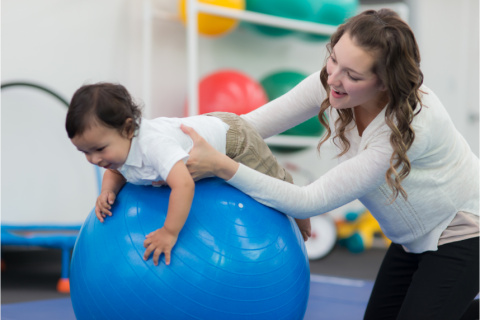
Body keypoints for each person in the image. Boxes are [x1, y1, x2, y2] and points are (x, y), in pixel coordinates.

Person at [177, 9, 479, 320]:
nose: (332, 78)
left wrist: (222, 166)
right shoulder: (329, 83)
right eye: (333, 59)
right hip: (409, 239)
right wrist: (153, 143)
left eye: (353, 75)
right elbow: (245, 127)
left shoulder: (406, 128)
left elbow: (309, 201)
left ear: (385, 83)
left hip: (462, 233)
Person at [65, 83, 310, 267]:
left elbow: (183, 185)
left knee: (269, 177)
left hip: (232, 137)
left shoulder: (154, 146)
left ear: (128, 129)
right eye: (84, 152)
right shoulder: (117, 149)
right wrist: (107, 191)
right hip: (204, 127)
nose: (95, 160)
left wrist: (169, 232)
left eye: (99, 149)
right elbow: (117, 170)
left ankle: (299, 208)